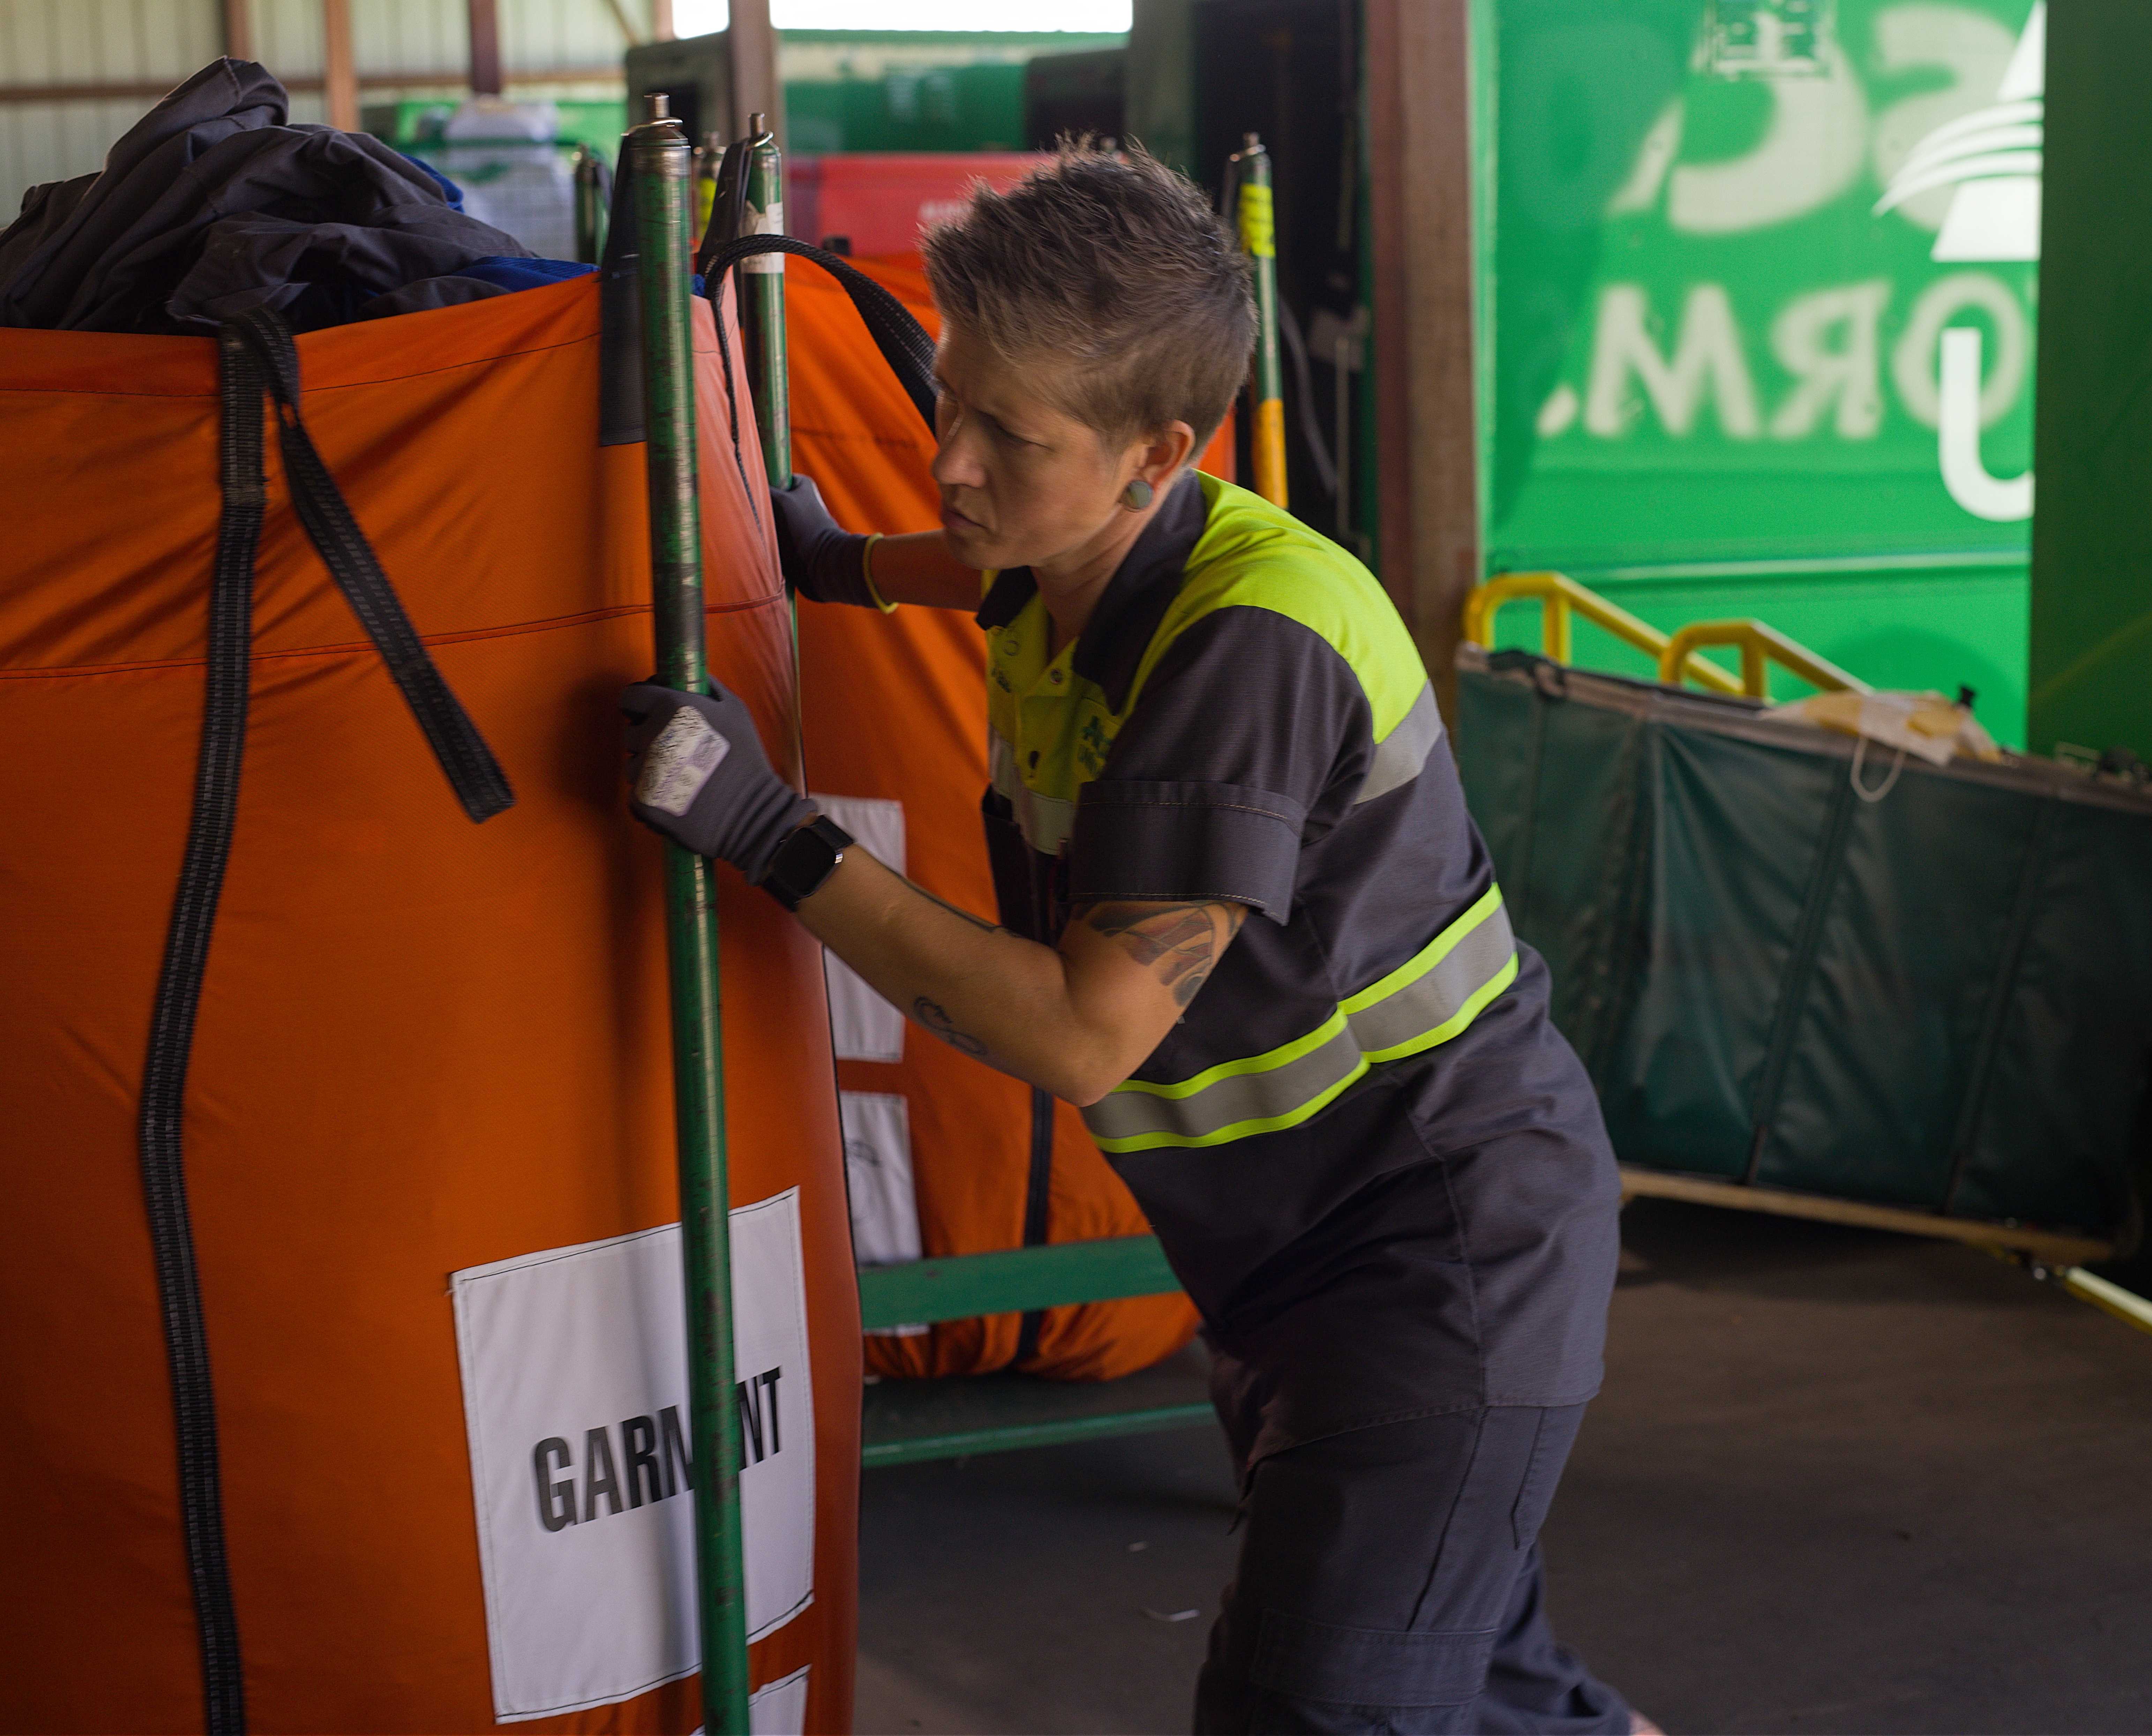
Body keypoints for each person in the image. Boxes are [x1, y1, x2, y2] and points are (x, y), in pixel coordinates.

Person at [620, 145, 1644, 1736]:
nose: (950, 464)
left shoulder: (1243, 654)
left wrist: (773, 836)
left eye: (1007, 438)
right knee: (1494, 1689)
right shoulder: (1079, 557)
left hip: (1435, 1264)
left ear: (1159, 454)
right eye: (948, 404)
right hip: (1297, 1263)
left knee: (1311, 1711)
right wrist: (828, 564)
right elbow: (966, 566)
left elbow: (1079, 1035)